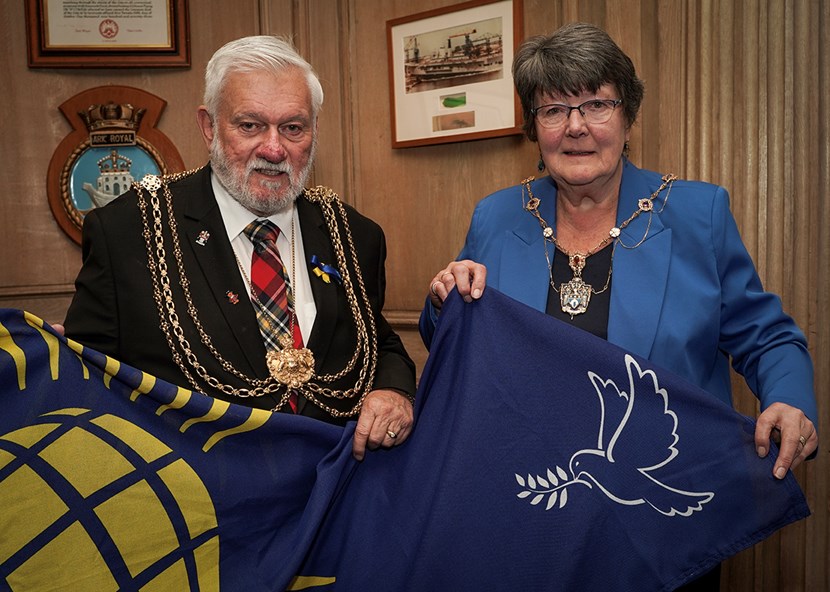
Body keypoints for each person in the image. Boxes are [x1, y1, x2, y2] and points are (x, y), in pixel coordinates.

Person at [419, 23, 818, 590]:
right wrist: (442, 298)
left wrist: (788, 399)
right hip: (530, 513)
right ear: (535, 127)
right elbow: (455, 338)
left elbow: (768, 337)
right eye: (554, 109)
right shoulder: (496, 217)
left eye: (596, 104)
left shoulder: (697, 213)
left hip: (662, 533)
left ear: (627, 114)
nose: (576, 126)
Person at [63, 36, 416, 461]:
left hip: (334, 495)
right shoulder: (128, 231)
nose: (273, 149)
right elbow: (86, 381)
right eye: (249, 125)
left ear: (314, 130)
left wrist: (393, 391)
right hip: (198, 504)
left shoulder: (355, 234)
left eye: (293, 127)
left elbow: (374, 341)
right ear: (209, 125)